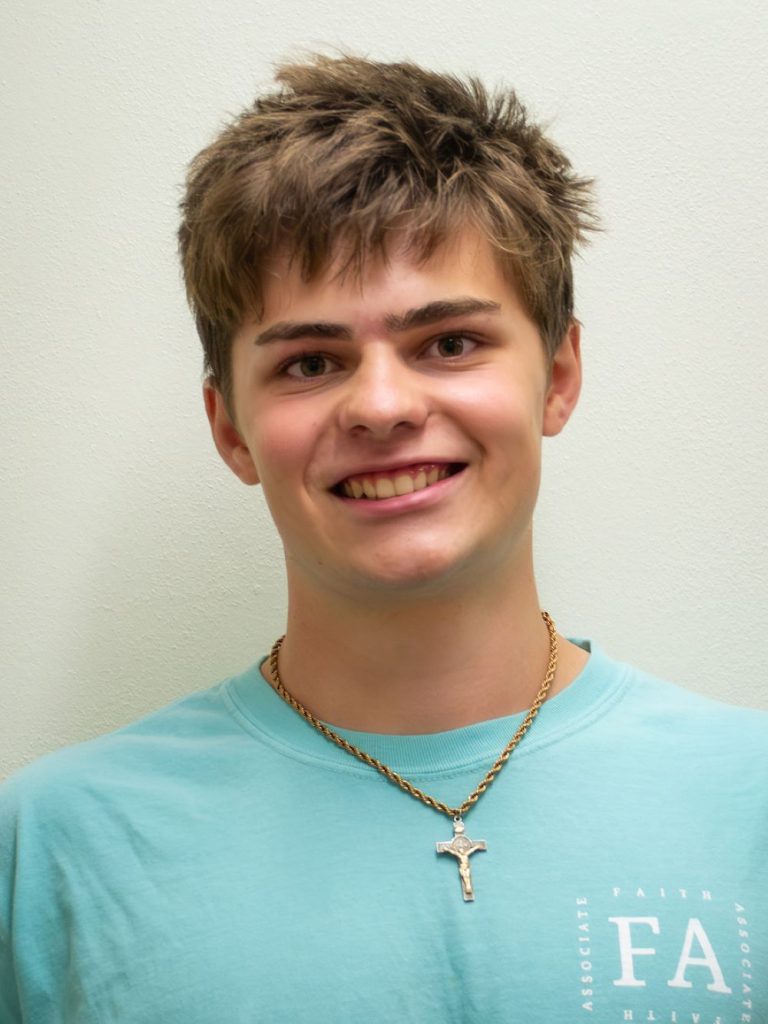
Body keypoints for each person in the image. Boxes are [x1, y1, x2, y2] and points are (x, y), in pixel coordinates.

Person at [1, 54, 765, 1024]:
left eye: (449, 343)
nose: (382, 405)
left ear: (560, 375)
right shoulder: (56, 851)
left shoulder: (750, 799)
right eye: (310, 361)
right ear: (230, 428)